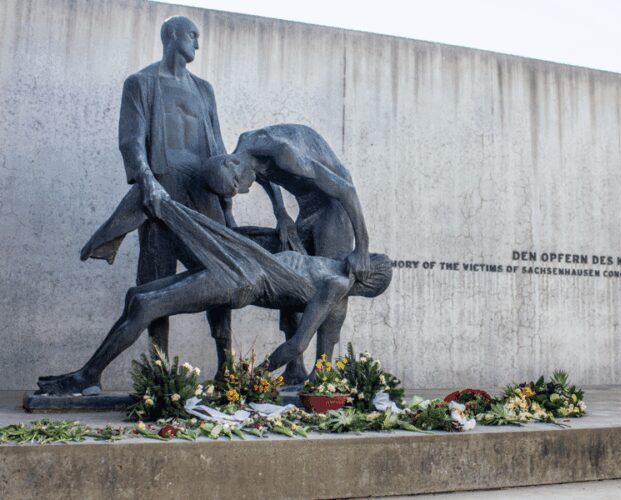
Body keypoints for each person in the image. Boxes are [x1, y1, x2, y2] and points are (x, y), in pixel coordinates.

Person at [37, 156, 392, 396]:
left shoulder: (336, 285)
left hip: (243, 281)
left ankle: (87, 376)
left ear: (368, 279)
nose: (362, 255)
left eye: (370, 259)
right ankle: (88, 375)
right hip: (245, 261)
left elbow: (298, 344)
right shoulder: (327, 264)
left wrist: (254, 377)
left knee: (146, 304)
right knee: (137, 296)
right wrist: (279, 213)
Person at [116, 16, 233, 374]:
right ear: (172, 35)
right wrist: (147, 182)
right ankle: (159, 372)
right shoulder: (141, 83)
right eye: (192, 35)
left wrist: (227, 205)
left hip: (203, 191)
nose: (197, 42)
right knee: (156, 278)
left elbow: (218, 146)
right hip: (163, 190)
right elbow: (131, 140)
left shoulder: (204, 90)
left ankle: (227, 368)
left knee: (222, 273)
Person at [227, 124, 372, 383]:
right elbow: (261, 174)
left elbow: (346, 190)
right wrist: (281, 213)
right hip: (307, 209)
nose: (242, 192)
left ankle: (322, 370)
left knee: (334, 281)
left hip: (335, 207)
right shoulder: (245, 147)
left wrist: (362, 247)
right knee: (290, 280)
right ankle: (295, 368)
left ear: (232, 163)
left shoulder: (283, 152)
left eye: (237, 185)